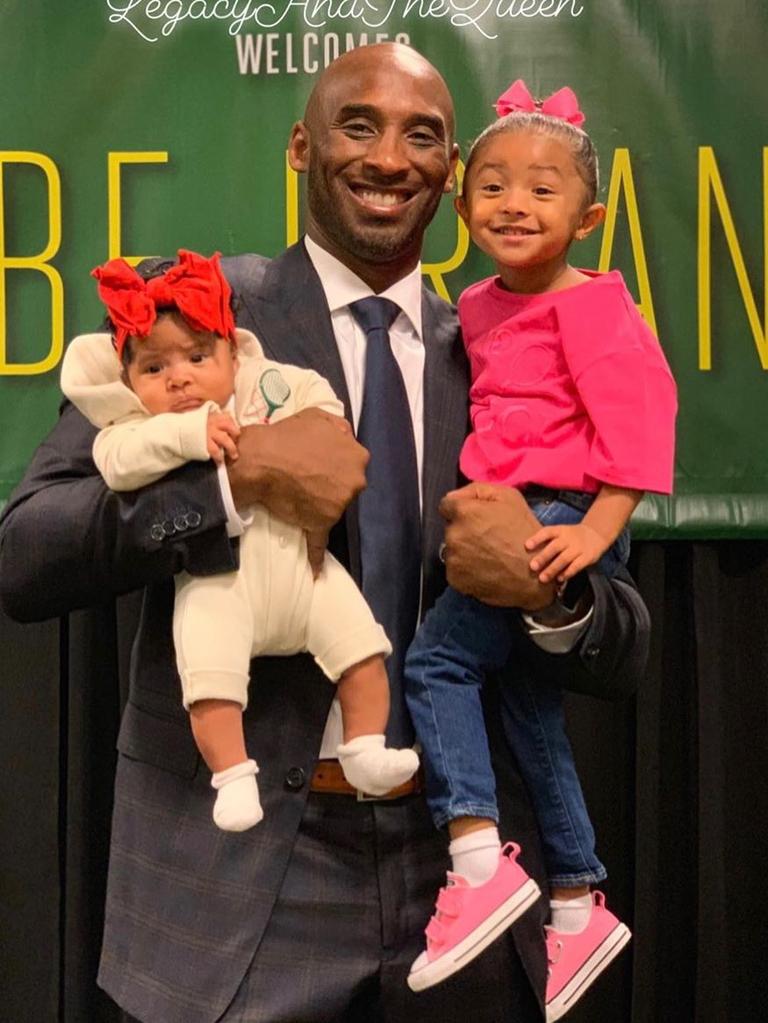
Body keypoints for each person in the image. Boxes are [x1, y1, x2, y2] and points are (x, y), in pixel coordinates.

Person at [0, 46, 651, 1023]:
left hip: (467, 873)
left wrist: (546, 588)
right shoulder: (202, 320)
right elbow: (29, 550)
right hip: (243, 879)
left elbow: (623, 634)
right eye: (359, 125)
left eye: (423, 137)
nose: (390, 157)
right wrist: (228, 482)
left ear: (453, 178)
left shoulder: (516, 344)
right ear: (302, 146)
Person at [403, 80, 676, 1020]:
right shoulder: (473, 306)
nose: (514, 204)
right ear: (458, 200)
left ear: (590, 216)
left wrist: (595, 535)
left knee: (438, 662)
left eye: (542, 189)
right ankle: (575, 898)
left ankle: (477, 857)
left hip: (562, 516)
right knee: (524, 701)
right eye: (492, 186)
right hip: (506, 507)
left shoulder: (597, 307)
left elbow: (642, 419)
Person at [61, 248, 418, 832]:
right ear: (127, 380)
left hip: (306, 569)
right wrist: (189, 435)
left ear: (233, 349)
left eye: (198, 356)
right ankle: (231, 776)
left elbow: (321, 408)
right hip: (220, 582)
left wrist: (313, 431)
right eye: (154, 370)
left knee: (363, 650)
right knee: (209, 683)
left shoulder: (266, 382)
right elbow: (117, 464)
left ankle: (365, 746)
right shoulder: (136, 425)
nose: (179, 377)